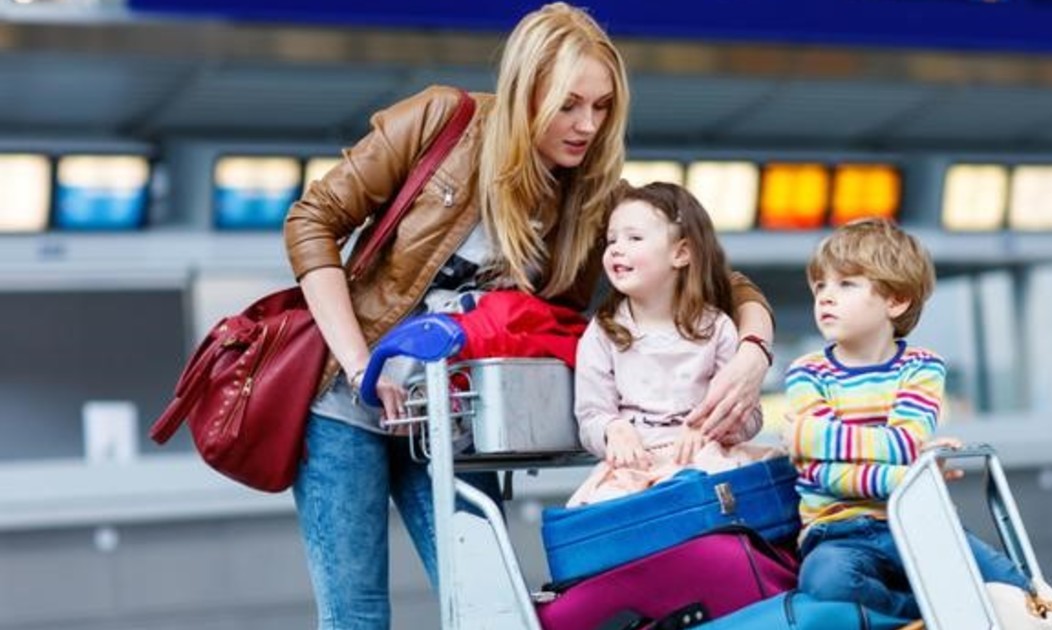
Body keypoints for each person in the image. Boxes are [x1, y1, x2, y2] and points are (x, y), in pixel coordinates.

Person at [282, 4, 775, 628]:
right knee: (355, 614)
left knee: (492, 610)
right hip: (344, 403)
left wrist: (753, 354)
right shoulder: (441, 121)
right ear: (525, 92)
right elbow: (311, 221)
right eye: (569, 105)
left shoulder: (595, 197)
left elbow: (714, 277)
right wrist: (361, 366)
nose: (587, 125)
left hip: (453, 420)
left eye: (602, 107)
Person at [784, 218, 1031, 620]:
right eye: (820, 286)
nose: (825, 297)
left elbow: (903, 442)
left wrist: (813, 437)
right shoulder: (806, 372)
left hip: (917, 520)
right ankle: (921, 614)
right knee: (828, 583)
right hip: (835, 531)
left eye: (846, 284)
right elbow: (825, 476)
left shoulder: (922, 367)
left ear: (896, 301)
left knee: (1014, 590)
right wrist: (913, 474)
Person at [569, 183, 779, 506]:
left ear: (681, 253)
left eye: (634, 238)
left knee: (722, 494)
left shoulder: (717, 327)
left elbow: (750, 416)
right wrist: (613, 429)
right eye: (611, 240)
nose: (616, 249)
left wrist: (713, 428)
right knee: (604, 510)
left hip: (704, 461)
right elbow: (590, 414)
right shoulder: (602, 332)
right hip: (633, 470)